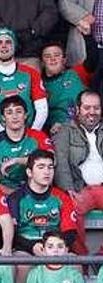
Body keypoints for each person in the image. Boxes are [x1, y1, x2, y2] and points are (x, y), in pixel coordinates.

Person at [53, 89, 103, 254]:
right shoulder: (66, 130)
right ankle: (81, 259)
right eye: (87, 107)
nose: (92, 112)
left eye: (96, 108)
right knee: (72, 211)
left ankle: (100, 258)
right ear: (77, 109)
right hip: (80, 188)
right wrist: (68, 189)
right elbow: (60, 161)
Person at [9, 149, 78, 257]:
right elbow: (11, 233)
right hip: (25, 248)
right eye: (41, 167)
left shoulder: (62, 197)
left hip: (55, 247)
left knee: (74, 261)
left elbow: (70, 232)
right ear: (29, 172)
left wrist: (55, 247)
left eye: (50, 167)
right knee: (22, 263)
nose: (47, 172)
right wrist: (31, 246)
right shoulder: (15, 199)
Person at [0, 27, 48, 134]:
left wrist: (33, 132)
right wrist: (5, 136)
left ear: (14, 45)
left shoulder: (31, 73)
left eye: (8, 42)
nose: (4, 46)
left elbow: (42, 108)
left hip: (29, 133)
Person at [0, 95, 52, 193]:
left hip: (38, 191)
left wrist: (18, 161)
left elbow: (52, 161)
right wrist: (15, 195)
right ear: (3, 118)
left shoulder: (39, 136)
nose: (14, 117)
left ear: (25, 115)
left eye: (19, 111)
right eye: (9, 112)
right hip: (6, 193)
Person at [41, 41, 93, 134]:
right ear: (42, 62)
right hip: (58, 129)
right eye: (48, 56)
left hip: (86, 123)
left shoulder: (74, 73)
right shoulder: (39, 84)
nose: (53, 59)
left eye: (57, 55)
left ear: (64, 60)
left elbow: (92, 61)